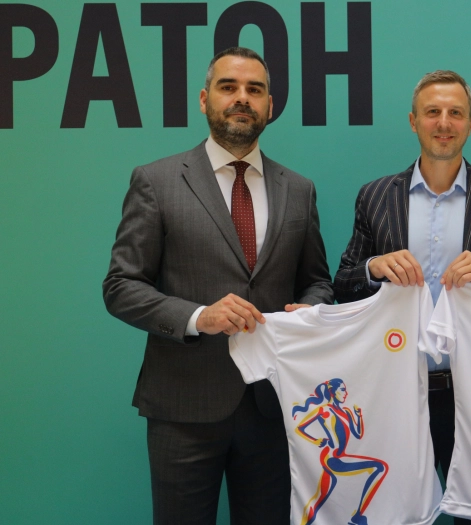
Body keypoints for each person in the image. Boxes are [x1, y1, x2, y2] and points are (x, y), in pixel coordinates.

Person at [102, 47, 333, 525]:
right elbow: (121, 285)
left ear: (270, 105)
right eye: (229, 87)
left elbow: (316, 282)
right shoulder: (156, 181)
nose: (242, 98)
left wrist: (309, 312)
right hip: (183, 405)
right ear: (205, 99)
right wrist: (197, 317)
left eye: (255, 89)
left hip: (274, 406)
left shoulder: (299, 189)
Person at [334, 70, 471, 524]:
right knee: (390, 514)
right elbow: (342, 285)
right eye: (433, 112)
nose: (444, 123)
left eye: (455, 113)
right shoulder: (375, 196)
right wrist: (373, 268)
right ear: (413, 121)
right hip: (393, 390)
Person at [292, 379, 388, 525]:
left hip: (340, 456)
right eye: (342, 390)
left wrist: (358, 416)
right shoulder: (324, 410)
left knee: (320, 497)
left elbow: (358, 434)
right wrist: (316, 440)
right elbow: (300, 428)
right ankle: (357, 517)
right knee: (379, 467)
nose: (346, 393)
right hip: (332, 457)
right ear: (332, 391)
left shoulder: (347, 412)